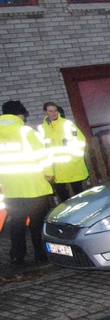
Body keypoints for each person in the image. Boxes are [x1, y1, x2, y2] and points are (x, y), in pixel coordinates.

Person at [0, 100, 54, 266]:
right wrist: (49, 174)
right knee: (37, 223)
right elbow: (42, 155)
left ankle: (17, 256)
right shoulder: (26, 132)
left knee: (17, 222)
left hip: (10, 188)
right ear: (20, 114)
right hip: (33, 187)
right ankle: (40, 255)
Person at [38, 102, 89, 201]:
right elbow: (42, 147)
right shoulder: (42, 128)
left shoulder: (67, 124)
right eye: (50, 111)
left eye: (55, 110)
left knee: (79, 194)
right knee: (63, 196)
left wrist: (75, 158)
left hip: (72, 165)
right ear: (45, 112)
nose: (54, 113)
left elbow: (80, 141)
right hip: (56, 168)